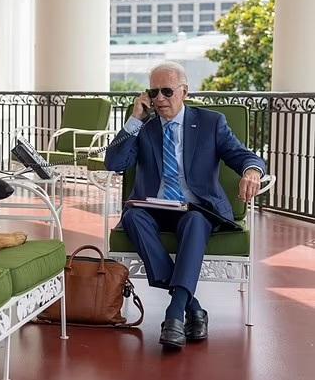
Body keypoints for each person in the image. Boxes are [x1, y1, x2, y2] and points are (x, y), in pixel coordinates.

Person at [104, 61, 265, 349]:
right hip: (153, 208)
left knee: (195, 221)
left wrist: (252, 171)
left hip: (196, 208)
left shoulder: (211, 123)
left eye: (167, 91)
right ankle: (193, 309)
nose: (159, 99)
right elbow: (115, 163)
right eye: (153, 92)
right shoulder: (144, 127)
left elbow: (242, 155)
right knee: (133, 217)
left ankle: (175, 313)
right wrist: (134, 119)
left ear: (185, 92)